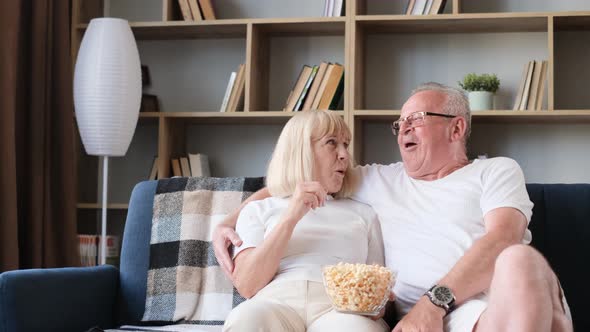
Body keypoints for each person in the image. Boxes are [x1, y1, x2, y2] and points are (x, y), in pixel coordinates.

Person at [214, 82, 573, 332]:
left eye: (416, 119)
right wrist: (228, 220)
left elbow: (502, 240)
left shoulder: (495, 170)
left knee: (519, 259)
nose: (403, 129)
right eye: (399, 123)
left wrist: (433, 304)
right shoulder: (379, 180)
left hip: (490, 302)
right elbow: (302, 180)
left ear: (456, 128)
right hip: (427, 322)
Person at [222, 110, 389, 332]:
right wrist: (291, 216)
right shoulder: (258, 209)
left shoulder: (364, 213)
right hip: (275, 302)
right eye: (332, 143)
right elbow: (247, 285)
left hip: (340, 309)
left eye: (345, 145)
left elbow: (377, 295)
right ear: (301, 151)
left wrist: (377, 302)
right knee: (246, 318)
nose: (344, 155)